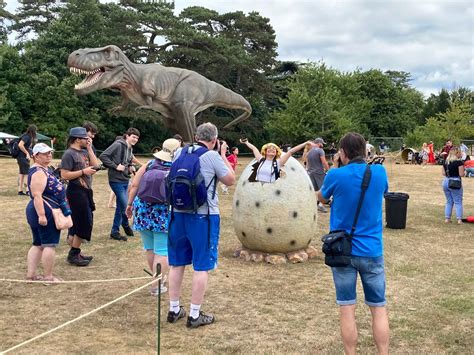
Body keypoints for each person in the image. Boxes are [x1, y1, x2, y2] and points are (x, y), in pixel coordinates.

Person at [317, 132, 390, 355]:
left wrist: (339, 166)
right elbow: (384, 191)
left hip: (342, 251)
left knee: (347, 307)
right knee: (378, 308)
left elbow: (321, 197)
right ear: (365, 151)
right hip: (372, 250)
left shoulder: (335, 175)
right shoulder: (379, 172)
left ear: (342, 152)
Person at [167, 122, 235, 329]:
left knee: (177, 263)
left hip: (177, 214)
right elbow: (230, 179)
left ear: (196, 136)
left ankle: (174, 308)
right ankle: (195, 314)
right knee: (201, 265)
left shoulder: (179, 152)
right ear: (214, 140)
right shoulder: (212, 155)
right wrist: (222, 153)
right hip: (203, 216)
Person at [126, 138, 181, 296]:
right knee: (162, 250)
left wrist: (129, 205)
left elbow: (135, 185)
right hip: (163, 213)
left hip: (143, 210)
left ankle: (156, 281)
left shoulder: (149, 164)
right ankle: (158, 284)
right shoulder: (177, 167)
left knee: (150, 248)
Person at [26, 143, 68, 283]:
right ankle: (48, 277)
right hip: (44, 210)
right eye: (45, 153)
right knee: (48, 244)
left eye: (50, 153)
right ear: (36, 156)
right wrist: (42, 215)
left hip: (40, 209)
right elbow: (37, 195)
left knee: (38, 243)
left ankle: (31, 275)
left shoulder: (42, 169)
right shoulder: (38, 172)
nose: (49, 155)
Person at [60, 127, 99, 266]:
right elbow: (64, 175)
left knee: (86, 221)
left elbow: (96, 166)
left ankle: (76, 251)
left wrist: (89, 149)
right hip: (75, 191)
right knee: (82, 222)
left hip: (86, 191)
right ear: (77, 139)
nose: (88, 139)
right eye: (85, 138)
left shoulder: (84, 151)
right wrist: (83, 171)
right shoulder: (69, 154)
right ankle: (74, 254)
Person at [100, 128, 141, 241]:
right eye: (133, 137)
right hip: (115, 180)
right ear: (127, 136)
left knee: (120, 207)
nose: (135, 139)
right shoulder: (118, 145)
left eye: (137, 138)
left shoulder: (129, 148)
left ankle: (115, 231)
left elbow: (126, 162)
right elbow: (103, 156)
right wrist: (115, 166)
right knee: (125, 204)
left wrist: (130, 167)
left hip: (124, 179)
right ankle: (125, 224)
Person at [240, 138, 311, 183]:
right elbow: (254, 148)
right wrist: (246, 142)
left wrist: (305, 143)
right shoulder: (261, 160)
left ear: (277, 152)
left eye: (274, 148)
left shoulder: (278, 163)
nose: (272, 149)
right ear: (265, 151)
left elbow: (291, 151)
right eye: (269, 148)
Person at [305, 138, 330, 212]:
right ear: (319, 143)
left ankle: (312, 204)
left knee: (313, 190)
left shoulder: (309, 152)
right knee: (323, 189)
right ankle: (321, 205)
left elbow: (307, 162)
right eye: (322, 144)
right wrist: (328, 170)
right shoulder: (320, 150)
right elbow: (324, 161)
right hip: (319, 172)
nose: (322, 145)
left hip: (310, 172)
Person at [442, 147, 464, 224]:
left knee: (449, 201)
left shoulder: (445, 162)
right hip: (455, 181)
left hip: (446, 181)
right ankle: (459, 219)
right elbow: (461, 174)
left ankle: (447, 219)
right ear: (457, 153)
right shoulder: (459, 163)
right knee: (458, 201)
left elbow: (444, 173)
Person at [17, 124, 37, 196]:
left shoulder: (26, 136)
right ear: (33, 131)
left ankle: (20, 191)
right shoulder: (27, 137)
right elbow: (20, 145)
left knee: (21, 173)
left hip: (21, 157)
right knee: (26, 173)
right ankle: (28, 190)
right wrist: (27, 153)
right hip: (22, 157)